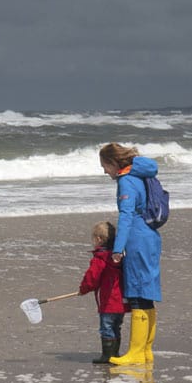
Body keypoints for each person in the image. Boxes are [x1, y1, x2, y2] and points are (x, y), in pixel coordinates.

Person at [98, 143, 162, 365]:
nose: (104, 171)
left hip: (137, 239)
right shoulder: (140, 176)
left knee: (136, 295)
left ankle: (135, 352)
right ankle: (145, 351)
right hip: (151, 237)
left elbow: (126, 216)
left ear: (114, 163)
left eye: (105, 165)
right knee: (147, 296)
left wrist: (117, 249)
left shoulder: (126, 180)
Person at [79, 221, 128, 364]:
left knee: (106, 327)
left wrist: (84, 289)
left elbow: (92, 277)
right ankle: (115, 354)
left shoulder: (100, 258)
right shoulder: (119, 256)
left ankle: (108, 355)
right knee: (116, 326)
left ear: (99, 239)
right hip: (121, 300)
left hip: (109, 300)